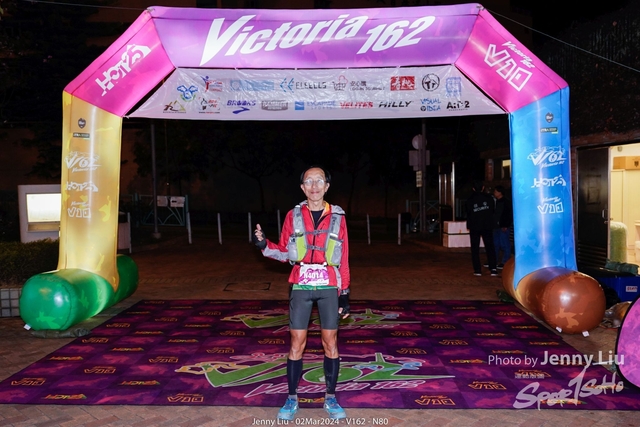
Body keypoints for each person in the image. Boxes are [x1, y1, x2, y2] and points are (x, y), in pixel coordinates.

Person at [252, 166, 350, 421]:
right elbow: (285, 251)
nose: (314, 186)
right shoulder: (293, 215)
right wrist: (264, 245)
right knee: (297, 343)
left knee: (331, 343)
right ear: (302, 188)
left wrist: (345, 293)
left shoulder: (338, 217)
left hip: (329, 285)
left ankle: (331, 397)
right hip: (301, 285)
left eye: (319, 181)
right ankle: (292, 397)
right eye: (309, 181)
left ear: (327, 186)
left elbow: (344, 258)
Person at [466, 180, 498, 276]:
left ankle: (477, 270)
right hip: (487, 225)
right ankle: (493, 268)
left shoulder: (470, 199)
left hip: (474, 226)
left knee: (475, 248)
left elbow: (467, 212)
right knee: (490, 247)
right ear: (483, 188)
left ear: (473, 188)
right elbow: (493, 210)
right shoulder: (489, 198)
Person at [492, 185, 513, 269]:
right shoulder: (496, 201)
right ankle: (495, 260)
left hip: (503, 226)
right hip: (496, 226)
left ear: (500, 192)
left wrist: (505, 225)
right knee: (496, 244)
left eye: (496, 191)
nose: (494, 193)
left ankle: (505, 261)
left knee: (504, 244)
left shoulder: (506, 202)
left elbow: (508, 215)